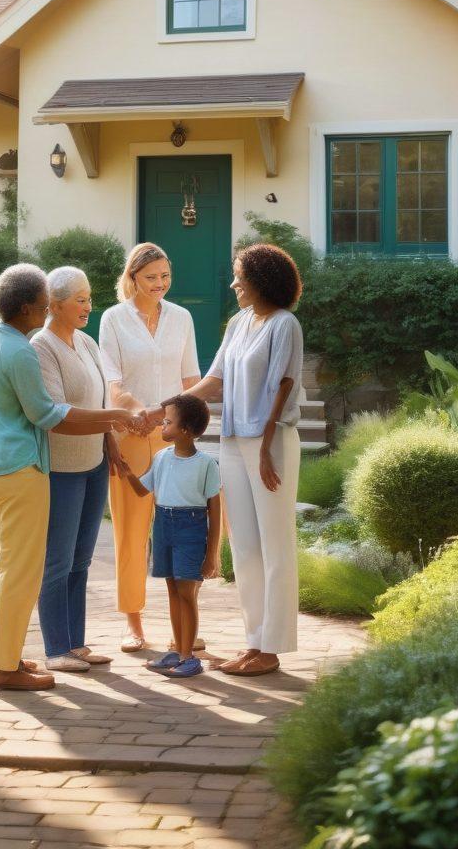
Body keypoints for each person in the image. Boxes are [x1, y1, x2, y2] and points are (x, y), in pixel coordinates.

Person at [0, 263, 139, 692]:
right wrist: (116, 416)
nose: (47, 309)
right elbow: (47, 415)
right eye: (44, 303)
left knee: (6, 570)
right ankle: (4, 668)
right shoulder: (24, 350)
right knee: (23, 573)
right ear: (27, 306)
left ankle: (4, 659)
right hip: (20, 469)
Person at [145, 244, 303, 677]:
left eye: (240, 276)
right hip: (233, 441)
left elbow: (283, 386)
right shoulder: (238, 323)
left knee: (275, 545)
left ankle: (273, 648)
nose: (233, 284)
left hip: (270, 444)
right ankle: (255, 642)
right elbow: (213, 382)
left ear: (261, 280)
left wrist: (268, 447)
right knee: (246, 547)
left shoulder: (285, 325)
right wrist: (162, 410)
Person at [99, 242, 201, 652]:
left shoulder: (182, 317)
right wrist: (140, 414)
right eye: (151, 278)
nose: (160, 284)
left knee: (183, 526)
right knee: (132, 528)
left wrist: (180, 423)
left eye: (165, 276)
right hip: (132, 434)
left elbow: (191, 380)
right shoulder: (113, 319)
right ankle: (134, 622)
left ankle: (185, 621)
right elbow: (113, 383)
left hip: (176, 436)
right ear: (132, 279)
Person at [31, 266, 119, 673]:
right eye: (80, 299)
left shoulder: (85, 341)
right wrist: (116, 417)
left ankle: (76, 644)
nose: (89, 306)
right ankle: (55, 649)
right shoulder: (41, 347)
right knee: (58, 561)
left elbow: (99, 403)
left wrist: (111, 443)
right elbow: (57, 414)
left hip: (94, 463)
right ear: (55, 303)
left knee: (81, 559)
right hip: (62, 468)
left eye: (89, 297)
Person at [118, 394, 221, 679]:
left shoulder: (206, 465)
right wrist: (127, 472)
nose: (161, 427)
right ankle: (178, 650)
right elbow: (143, 491)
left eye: (167, 422)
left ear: (186, 430)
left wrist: (211, 554)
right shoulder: (161, 458)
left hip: (191, 528)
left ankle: (190, 657)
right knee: (173, 591)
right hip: (163, 525)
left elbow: (215, 511)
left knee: (187, 594)